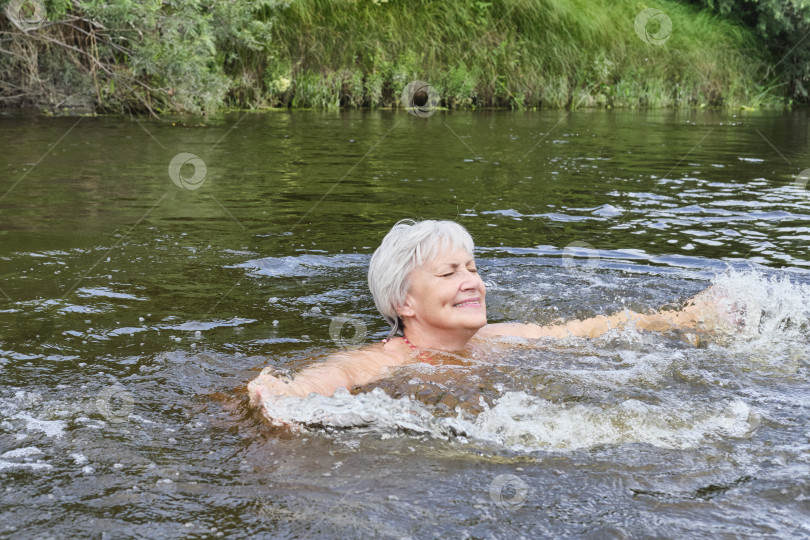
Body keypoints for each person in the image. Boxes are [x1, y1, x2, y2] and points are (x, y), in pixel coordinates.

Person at [248, 219, 739, 405]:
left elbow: (590, 328)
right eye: (448, 273)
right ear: (404, 302)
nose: (472, 282)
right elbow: (332, 375)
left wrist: (679, 319)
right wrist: (284, 391)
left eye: (472, 267)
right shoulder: (387, 361)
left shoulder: (500, 338)